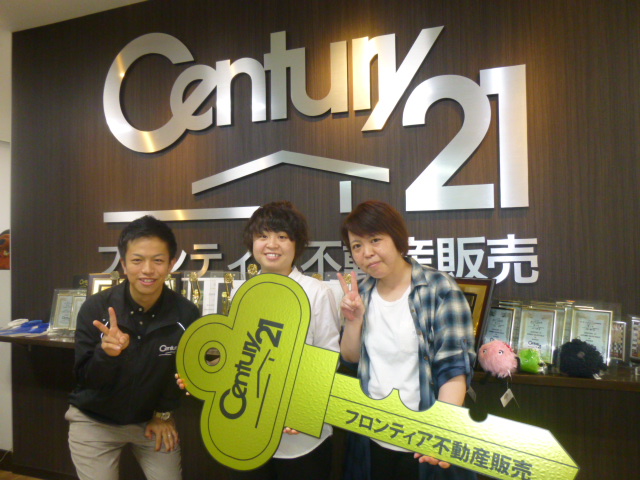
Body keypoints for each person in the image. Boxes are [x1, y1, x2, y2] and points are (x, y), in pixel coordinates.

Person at [179, 201, 340, 480]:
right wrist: (202, 377)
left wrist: (302, 412)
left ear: (297, 244)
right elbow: (237, 356)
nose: (271, 244)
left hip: (300, 439)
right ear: (252, 243)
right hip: (247, 431)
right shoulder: (242, 292)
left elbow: (328, 359)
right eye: (262, 236)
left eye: (282, 236)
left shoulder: (316, 292)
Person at [338, 200, 477, 480]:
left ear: (397, 238)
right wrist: (353, 322)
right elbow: (350, 359)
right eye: (357, 246)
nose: (367, 253)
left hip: (423, 438)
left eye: (375, 240)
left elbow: (453, 370)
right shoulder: (360, 292)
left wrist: (441, 432)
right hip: (371, 434)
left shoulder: (439, 288)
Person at [66, 215, 200, 480]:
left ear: (171, 264)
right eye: (137, 260)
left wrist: (163, 414)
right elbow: (84, 379)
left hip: (152, 421)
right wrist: (106, 354)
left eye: (158, 260)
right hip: (95, 420)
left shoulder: (186, 313)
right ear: (124, 264)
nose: (147, 270)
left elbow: (179, 373)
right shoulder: (96, 308)